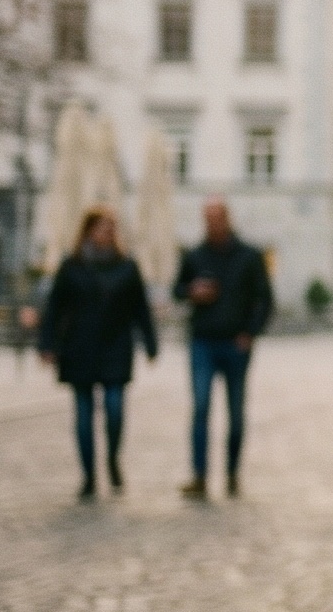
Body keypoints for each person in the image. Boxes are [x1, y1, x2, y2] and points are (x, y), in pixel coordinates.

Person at [38, 208, 159, 497]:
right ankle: (89, 475)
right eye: (103, 227)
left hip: (116, 346)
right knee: (83, 414)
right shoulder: (72, 266)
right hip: (79, 346)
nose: (108, 232)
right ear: (89, 230)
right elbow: (54, 308)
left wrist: (150, 342)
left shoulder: (127, 266)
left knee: (115, 410)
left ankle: (113, 459)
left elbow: (140, 308)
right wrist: (46, 344)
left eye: (111, 228)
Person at [173, 199, 272, 497]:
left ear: (227, 219)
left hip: (235, 343)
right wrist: (192, 291)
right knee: (201, 407)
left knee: (236, 412)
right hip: (203, 341)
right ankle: (199, 476)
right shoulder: (195, 255)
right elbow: (178, 289)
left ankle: (232, 473)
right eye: (208, 218)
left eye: (217, 217)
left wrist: (250, 333)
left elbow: (265, 299)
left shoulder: (249, 256)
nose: (213, 223)